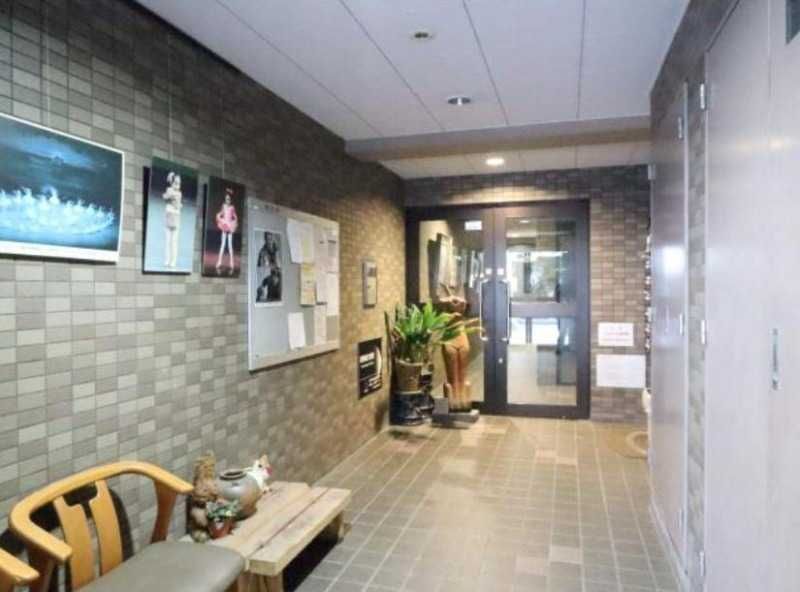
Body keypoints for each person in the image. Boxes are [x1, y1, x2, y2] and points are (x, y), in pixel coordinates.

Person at [215, 188, 238, 273]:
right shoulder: (223, 206)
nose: (227, 200)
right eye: (226, 199)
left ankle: (231, 263)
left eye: (228, 199)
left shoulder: (232, 207)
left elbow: (234, 216)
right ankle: (219, 262)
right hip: (224, 225)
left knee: (230, 246)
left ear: (231, 200)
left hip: (230, 226)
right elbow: (221, 213)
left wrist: (234, 222)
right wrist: (219, 216)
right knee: (222, 245)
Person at [163, 172, 182, 268]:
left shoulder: (179, 193)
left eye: (179, 183)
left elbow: (177, 205)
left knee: (174, 241)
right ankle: (167, 260)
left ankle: (173, 261)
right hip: (168, 216)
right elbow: (165, 197)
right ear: (173, 183)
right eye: (176, 183)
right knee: (167, 241)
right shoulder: (169, 190)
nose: (178, 185)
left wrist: (170, 193)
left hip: (176, 218)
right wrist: (169, 191)